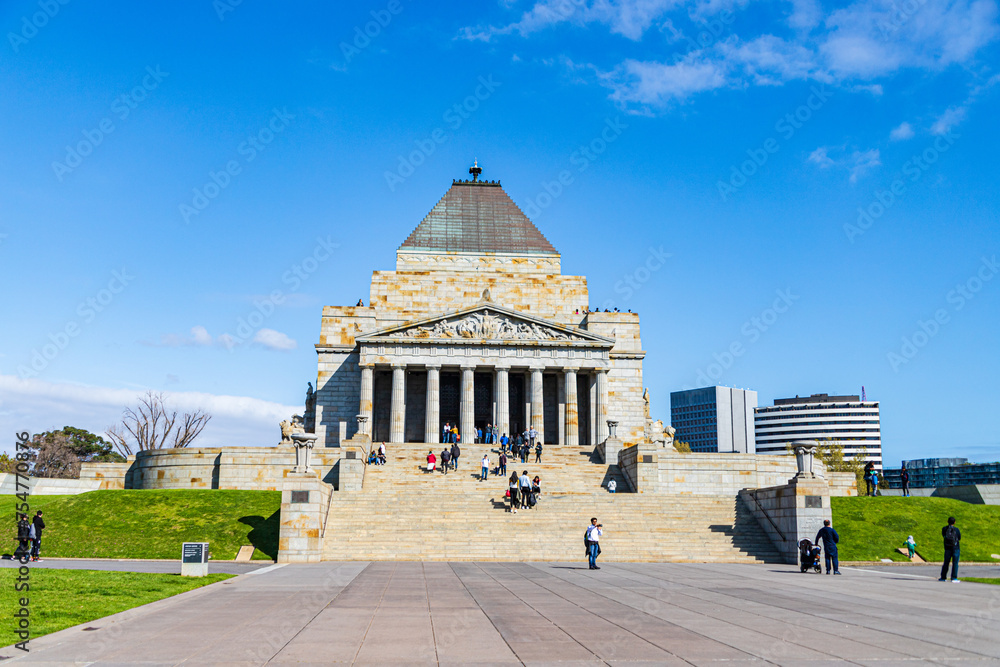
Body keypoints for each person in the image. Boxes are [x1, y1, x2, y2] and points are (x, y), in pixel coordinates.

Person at [940, 517, 961, 582]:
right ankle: (954, 577)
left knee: (946, 562)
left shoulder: (944, 529)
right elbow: (959, 538)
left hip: (947, 548)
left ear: (947, 521)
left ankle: (943, 577)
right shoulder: (956, 530)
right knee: (955, 563)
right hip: (955, 547)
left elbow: (944, 536)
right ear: (954, 522)